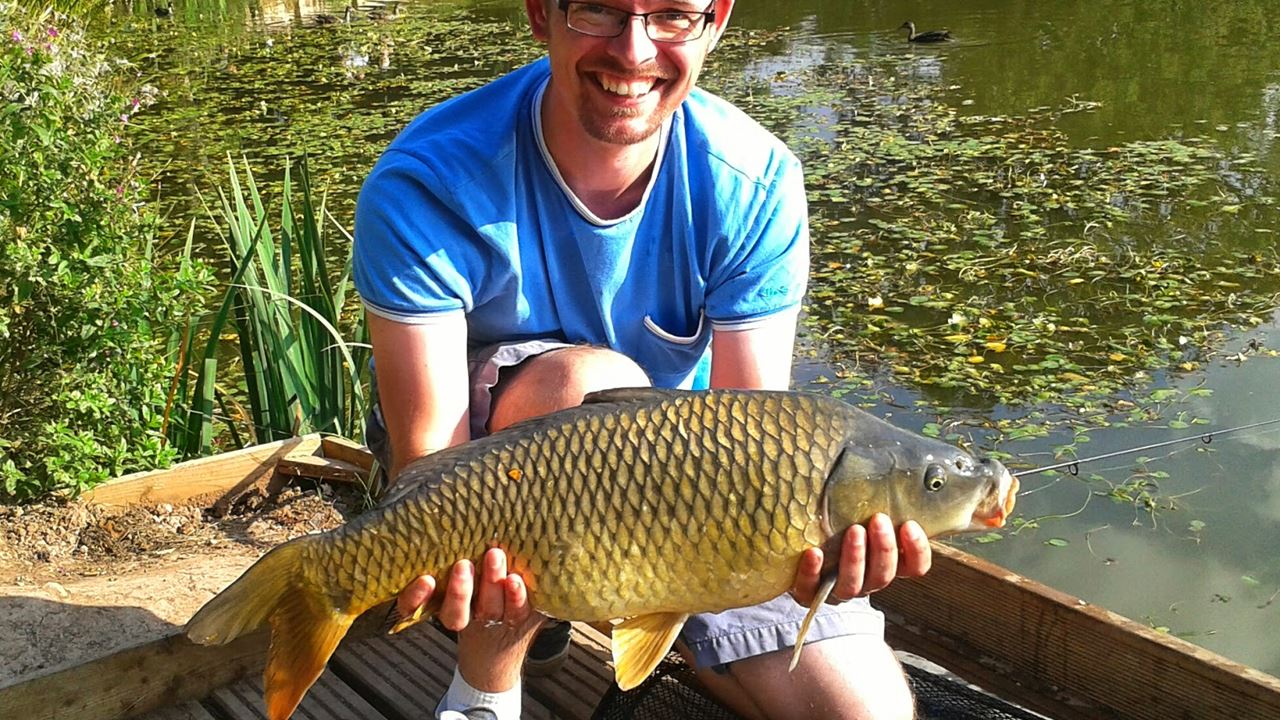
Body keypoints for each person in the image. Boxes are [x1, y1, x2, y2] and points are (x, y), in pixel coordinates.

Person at [352, 1, 931, 718]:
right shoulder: (429, 181)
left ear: (715, 20)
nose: (633, 51)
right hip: (480, 463)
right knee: (586, 388)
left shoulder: (752, 181)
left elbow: (757, 435)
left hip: (686, 489)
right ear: (541, 13)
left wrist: (807, 558)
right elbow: (430, 450)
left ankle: (632, 616)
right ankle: (484, 689)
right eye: (599, 9)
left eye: (672, 15)